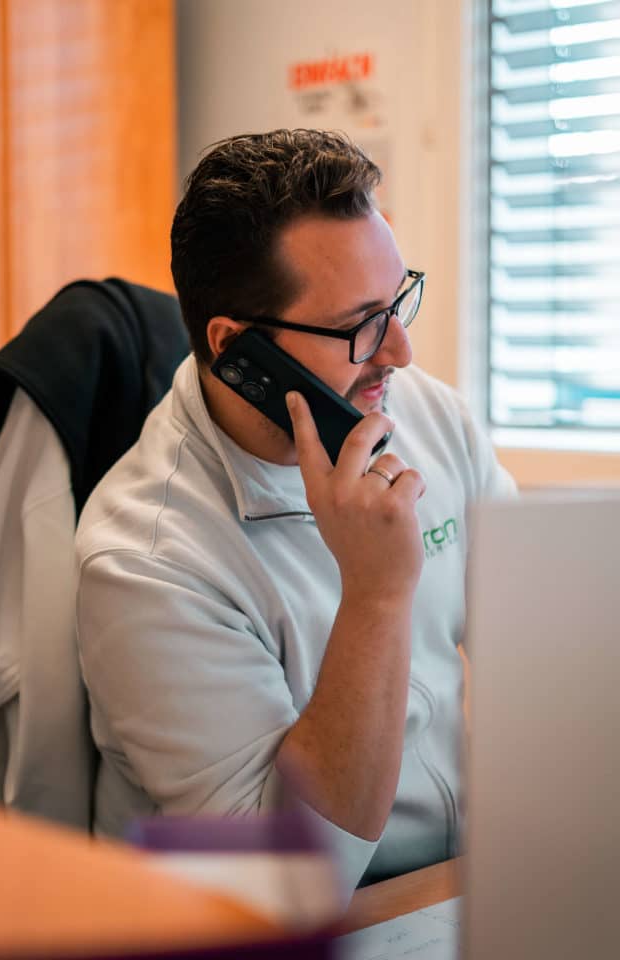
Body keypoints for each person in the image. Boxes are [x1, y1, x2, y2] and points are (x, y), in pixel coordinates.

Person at [75, 129, 515, 891]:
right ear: (237, 349)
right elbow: (289, 882)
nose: (401, 352)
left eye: (398, 300)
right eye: (361, 325)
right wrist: (376, 596)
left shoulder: (429, 418)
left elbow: (547, 640)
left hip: (449, 884)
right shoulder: (146, 560)